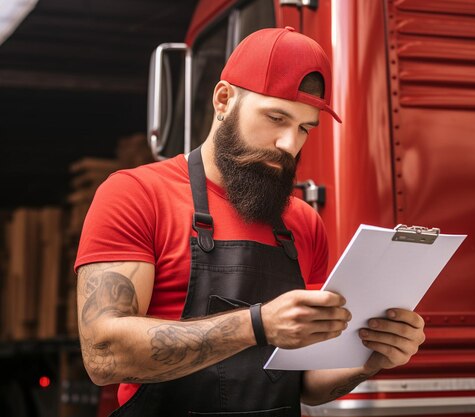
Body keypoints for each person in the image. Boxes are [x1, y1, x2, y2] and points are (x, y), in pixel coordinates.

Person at [75, 27, 425, 417]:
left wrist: (367, 362)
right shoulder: (135, 194)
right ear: (224, 99)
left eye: (305, 128)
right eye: (276, 118)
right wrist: (258, 326)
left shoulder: (303, 223)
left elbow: (307, 383)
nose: (290, 144)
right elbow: (103, 355)